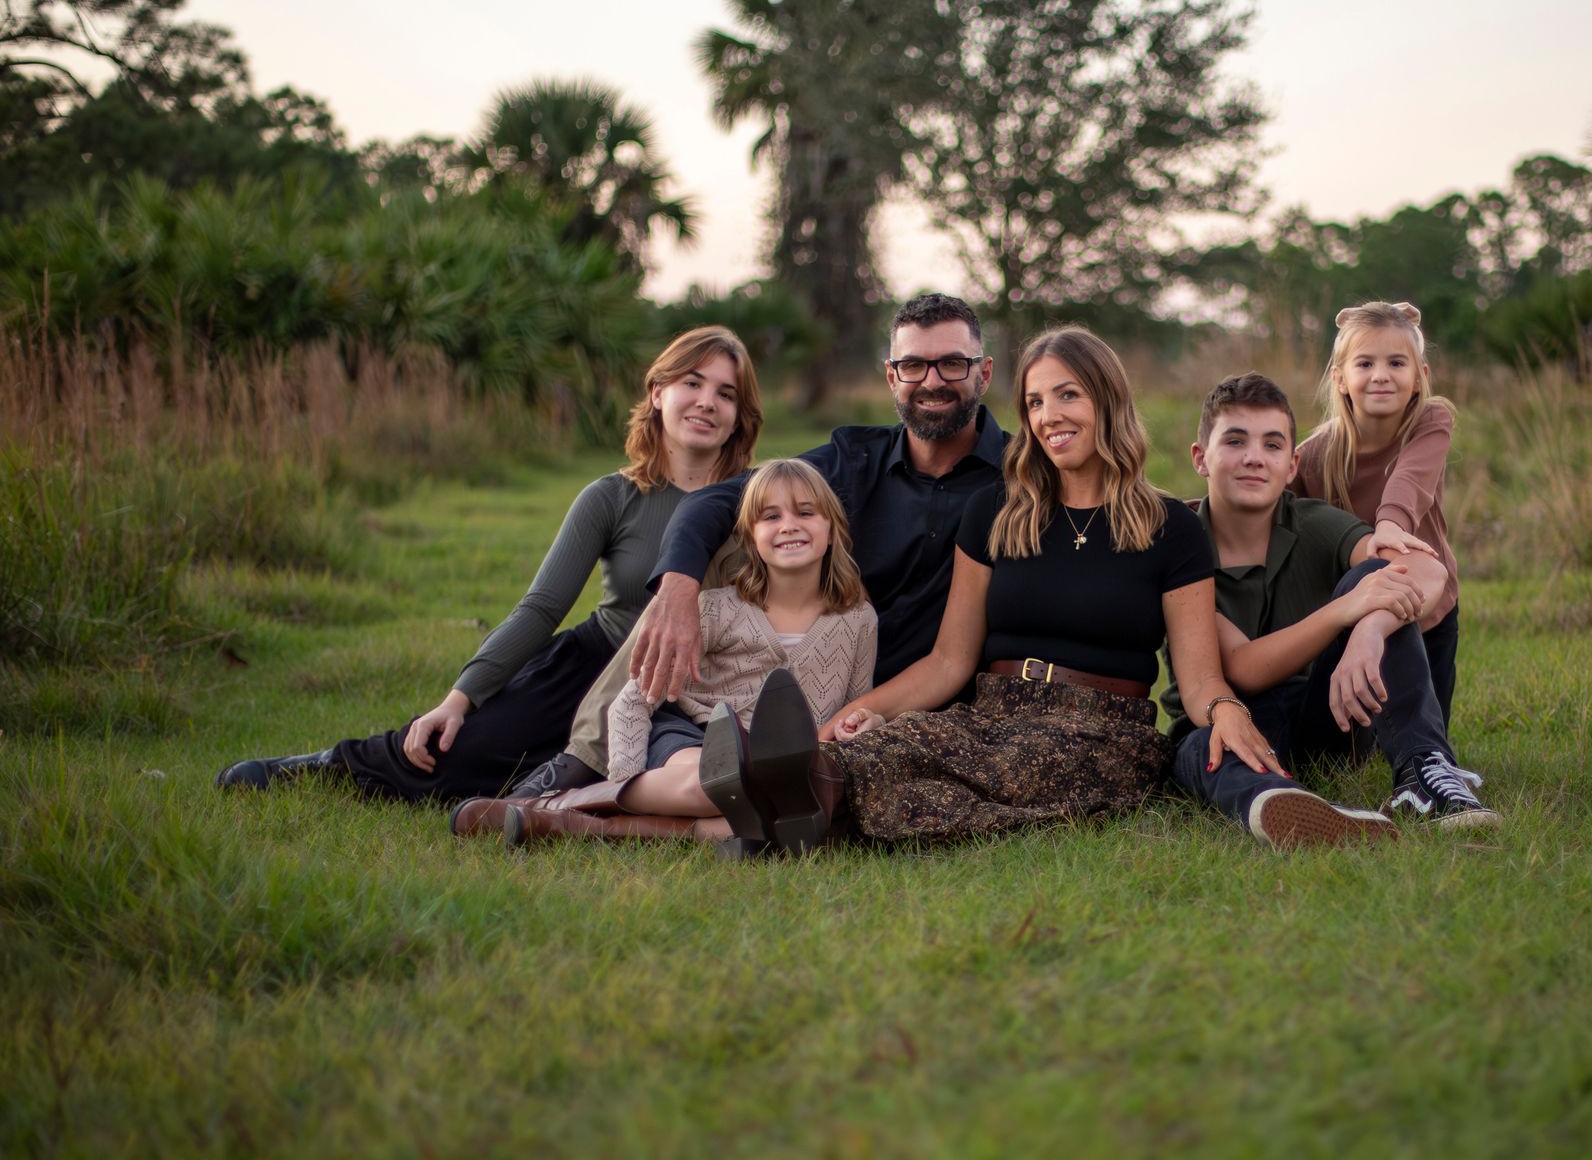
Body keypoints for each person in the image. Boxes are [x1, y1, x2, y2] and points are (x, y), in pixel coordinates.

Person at [699, 326, 1396, 856]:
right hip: (991, 712)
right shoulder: (996, 512)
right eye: (1034, 401)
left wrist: (1224, 711)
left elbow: (1197, 672)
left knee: (990, 768)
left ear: (1106, 401)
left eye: (1067, 394)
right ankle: (764, 799)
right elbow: (949, 663)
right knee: (885, 749)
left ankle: (782, 810)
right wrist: (856, 711)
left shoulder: (1170, 530)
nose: (1049, 415)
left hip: (1100, 730)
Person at [214, 326, 763, 803]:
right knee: (455, 759)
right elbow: (542, 608)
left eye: (725, 393)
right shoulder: (611, 498)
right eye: (692, 382)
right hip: (591, 667)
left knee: (612, 784)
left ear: (740, 417)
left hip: (700, 685)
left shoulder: (757, 506)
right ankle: (324, 766)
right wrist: (459, 698)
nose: (707, 402)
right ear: (658, 390)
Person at [501, 293, 1011, 797]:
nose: (932, 382)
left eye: (951, 365)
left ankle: (616, 793)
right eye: (914, 366)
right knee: (749, 533)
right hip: (799, 670)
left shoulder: (1021, 475)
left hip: (904, 695)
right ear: (891, 376)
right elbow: (717, 500)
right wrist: (677, 589)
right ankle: (583, 759)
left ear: (983, 373)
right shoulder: (853, 458)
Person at [451, 459, 876, 852]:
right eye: (771, 516)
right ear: (749, 536)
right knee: (713, 781)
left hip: (785, 768)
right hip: (691, 737)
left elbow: (857, 707)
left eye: (806, 513)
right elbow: (634, 700)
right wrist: (622, 776)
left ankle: (573, 825)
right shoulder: (716, 610)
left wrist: (865, 723)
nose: (789, 526)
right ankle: (571, 804)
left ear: (833, 528)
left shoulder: (858, 620)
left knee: (749, 820)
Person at [1166, 372, 1498, 830]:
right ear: (1201, 458)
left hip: (1323, 717)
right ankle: (1283, 805)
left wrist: (1369, 629)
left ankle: (1423, 774)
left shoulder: (1314, 522)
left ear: (1292, 464)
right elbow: (1241, 667)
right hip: (1224, 717)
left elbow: (1427, 570)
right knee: (1201, 748)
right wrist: (1345, 611)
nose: (1254, 459)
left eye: (1272, 445)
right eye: (1236, 442)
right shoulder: (1181, 544)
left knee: (1378, 574)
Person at [1295, 301, 1462, 728]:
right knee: (1360, 727)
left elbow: (1410, 478)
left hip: (1427, 602)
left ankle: (1427, 764)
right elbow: (1265, 497)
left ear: (1420, 377)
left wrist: (1390, 524)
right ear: (1341, 379)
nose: (1381, 375)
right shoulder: (1318, 453)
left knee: (1429, 726)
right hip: (1356, 599)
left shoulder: (1430, 420)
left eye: (1396, 362)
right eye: (1365, 363)